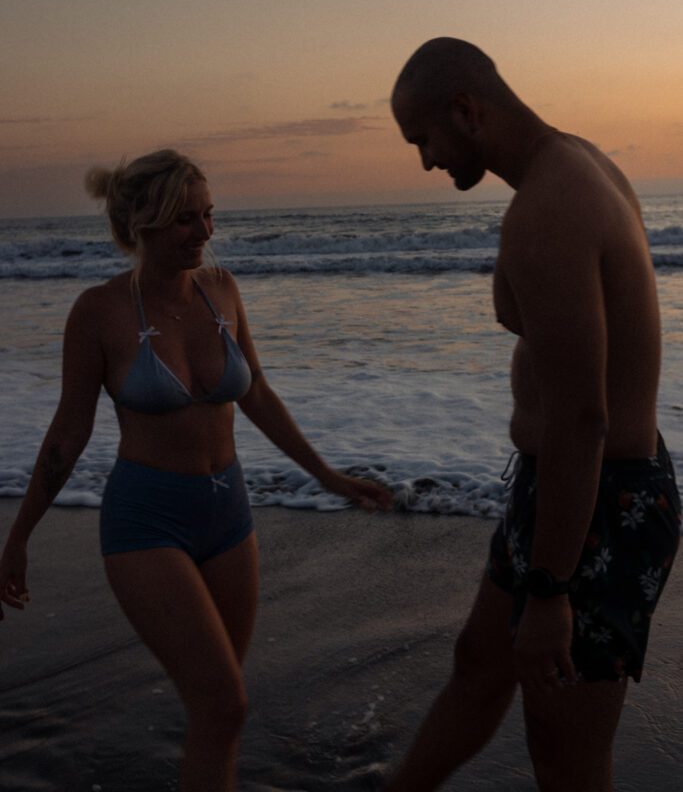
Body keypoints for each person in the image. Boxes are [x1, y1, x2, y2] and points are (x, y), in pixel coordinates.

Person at [0, 149, 393, 792]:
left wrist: (328, 475)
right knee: (224, 704)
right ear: (143, 225)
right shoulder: (99, 312)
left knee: (221, 709)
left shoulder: (223, 290)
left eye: (209, 214)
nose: (206, 232)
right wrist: (19, 538)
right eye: (187, 219)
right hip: (146, 523)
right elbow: (68, 435)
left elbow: (256, 392)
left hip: (229, 517)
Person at [386, 38, 680, 792]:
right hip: (564, 488)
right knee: (479, 668)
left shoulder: (548, 207)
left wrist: (550, 590)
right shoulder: (574, 167)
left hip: (598, 502)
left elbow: (581, 417)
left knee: (564, 755)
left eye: (422, 140)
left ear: (465, 110)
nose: (423, 161)